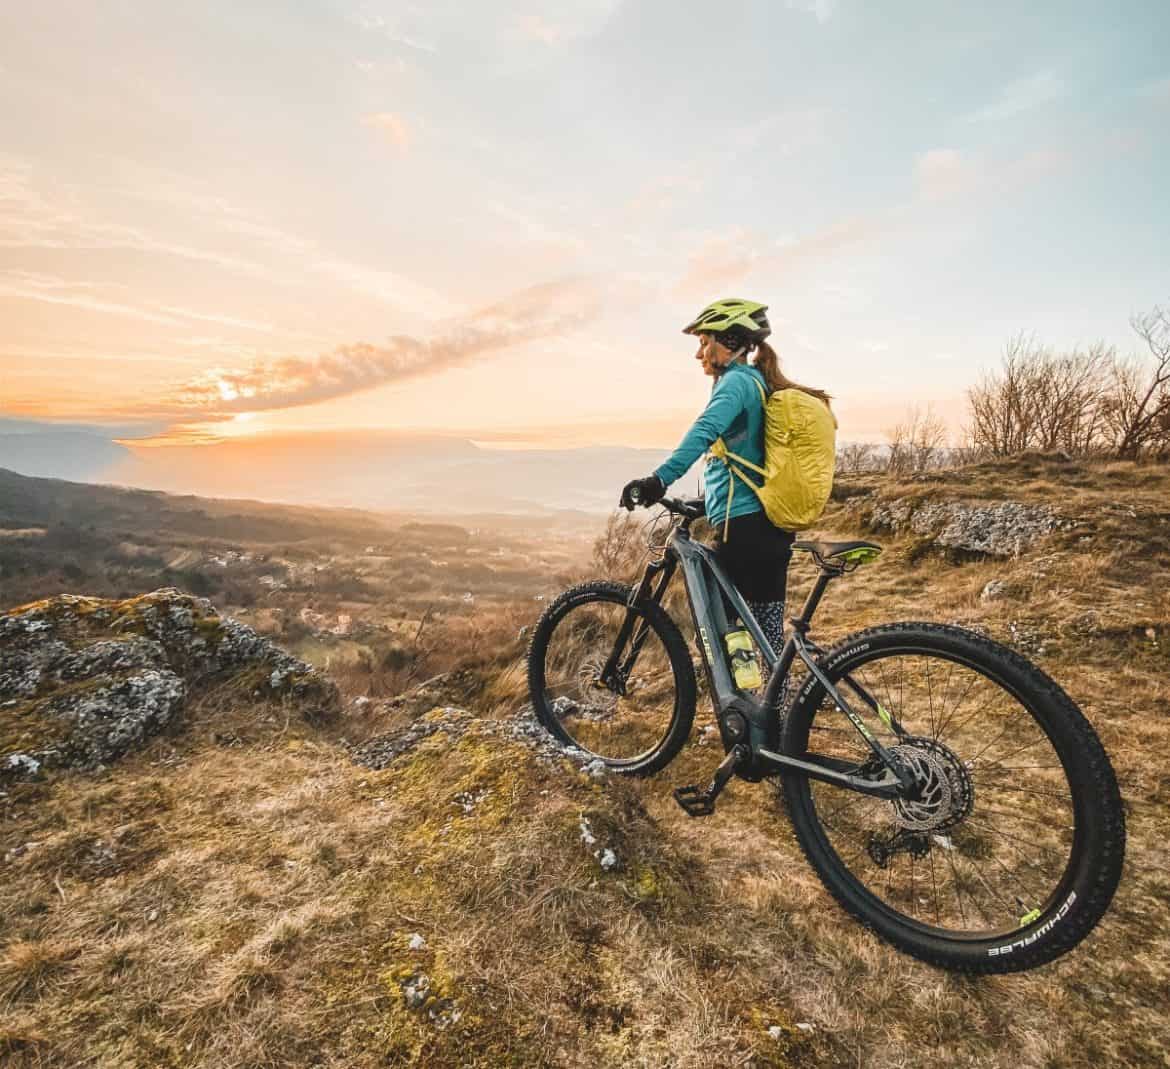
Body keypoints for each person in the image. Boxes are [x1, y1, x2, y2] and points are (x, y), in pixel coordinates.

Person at [619, 297, 833, 666]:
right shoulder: (755, 382)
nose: (699, 353)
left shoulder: (735, 383)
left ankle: (742, 711)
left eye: (705, 342)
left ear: (731, 342)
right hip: (768, 527)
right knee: (767, 636)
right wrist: (708, 504)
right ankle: (771, 716)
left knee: (719, 631)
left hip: (744, 530)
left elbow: (704, 431)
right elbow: (746, 460)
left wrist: (659, 481)